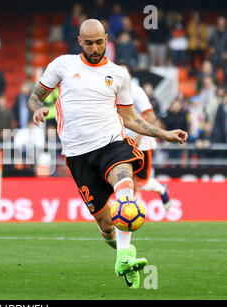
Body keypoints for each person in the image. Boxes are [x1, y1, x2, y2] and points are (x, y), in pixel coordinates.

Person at [28, 19, 188, 289]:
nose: (94, 47)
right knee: (104, 223)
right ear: (80, 41)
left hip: (112, 143)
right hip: (78, 154)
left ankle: (126, 254)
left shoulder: (119, 74)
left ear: (107, 40)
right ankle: (121, 255)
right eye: (88, 43)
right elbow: (35, 95)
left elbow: (129, 118)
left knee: (125, 182)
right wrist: (37, 108)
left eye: (99, 42)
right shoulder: (62, 65)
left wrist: (165, 134)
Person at [119, 63, 171, 211]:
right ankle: (130, 209)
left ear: (129, 76)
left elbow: (151, 117)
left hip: (141, 144)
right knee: (122, 176)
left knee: (143, 182)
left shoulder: (136, 91)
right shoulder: (111, 92)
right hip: (121, 143)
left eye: (124, 73)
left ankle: (161, 189)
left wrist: (139, 137)